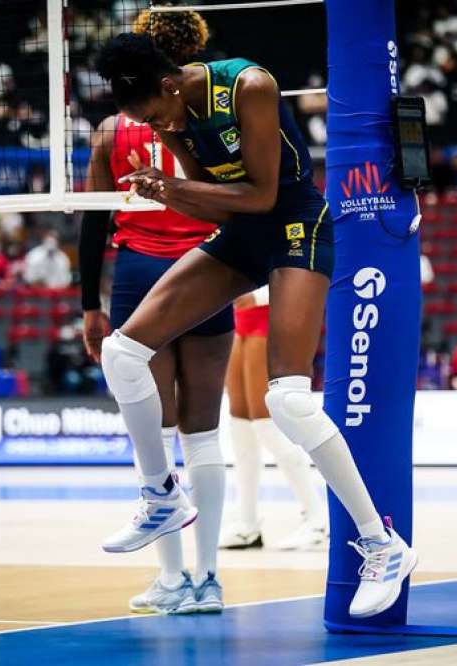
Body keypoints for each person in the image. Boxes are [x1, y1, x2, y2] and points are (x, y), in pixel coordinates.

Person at [90, 31, 416, 619]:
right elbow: (211, 201)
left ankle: (382, 544)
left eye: (154, 114)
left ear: (168, 84)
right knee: (122, 352)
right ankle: (160, 495)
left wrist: (176, 187)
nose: (155, 126)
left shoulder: (247, 85)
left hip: (294, 223)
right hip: (240, 231)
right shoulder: (169, 117)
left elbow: (263, 195)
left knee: (287, 400)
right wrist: (167, 190)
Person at [79, 8, 231, 615]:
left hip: (142, 274)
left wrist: (89, 303)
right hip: (209, 267)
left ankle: (170, 581)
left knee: (157, 435)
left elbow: (93, 221)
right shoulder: (205, 111)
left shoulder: (113, 129)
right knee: (205, 433)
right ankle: (210, 580)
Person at [220, 285, 327, 551]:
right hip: (240, 321)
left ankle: (317, 519)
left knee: (266, 424)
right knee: (240, 426)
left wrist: (255, 296)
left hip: (269, 319)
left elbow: (298, 275)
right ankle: (247, 523)